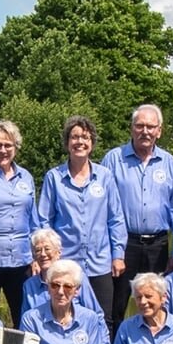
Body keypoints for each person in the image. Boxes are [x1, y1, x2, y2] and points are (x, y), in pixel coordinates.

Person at [37, 116, 126, 332]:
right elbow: (44, 221)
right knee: (67, 317)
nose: (80, 142)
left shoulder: (105, 177)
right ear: (67, 142)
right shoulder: (54, 178)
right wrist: (46, 256)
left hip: (99, 263)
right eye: (75, 137)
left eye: (85, 137)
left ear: (92, 143)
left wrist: (118, 254)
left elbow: (115, 218)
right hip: (66, 262)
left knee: (104, 319)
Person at [101, 104, 173, 327]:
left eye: (150, 126)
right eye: (140, 126)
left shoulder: (168, 162)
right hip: (124, 244)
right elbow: (104, 207)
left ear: (159, 131)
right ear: (131, 128)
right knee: (116, 308)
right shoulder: (113, 159)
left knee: (156, 305)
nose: (145, 131)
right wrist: (115, 251)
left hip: (158, 246)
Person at [0, 120, 38, 324]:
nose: (2, 150)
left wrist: (36, 255)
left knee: (26, 317)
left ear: (16, 148)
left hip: (21, 260)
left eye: (8, 145)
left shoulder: (26, 176)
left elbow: (33, 219)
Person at [18, 229, 103, 319]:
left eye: (47, 249)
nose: (43, 254)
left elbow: (97, 315)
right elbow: (25, 319)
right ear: (33, 256)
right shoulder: (29, 286)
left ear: (59, 252)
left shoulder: (77, 276)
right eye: (38, 250)